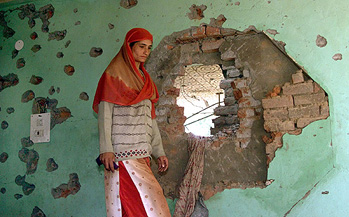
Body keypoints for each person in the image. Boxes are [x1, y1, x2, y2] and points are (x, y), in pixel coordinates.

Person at [93, 28, 171, 217]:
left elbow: (150, 119)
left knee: (147, 206)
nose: (146, 51)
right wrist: (106, 149)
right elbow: (105, 115)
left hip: (143, 153)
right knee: (137, 208)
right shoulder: (112, 76)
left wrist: (159, 152)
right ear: (129, 47)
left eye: (149, 48)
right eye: (141, 46)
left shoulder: (146, 81)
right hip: (122, 155)